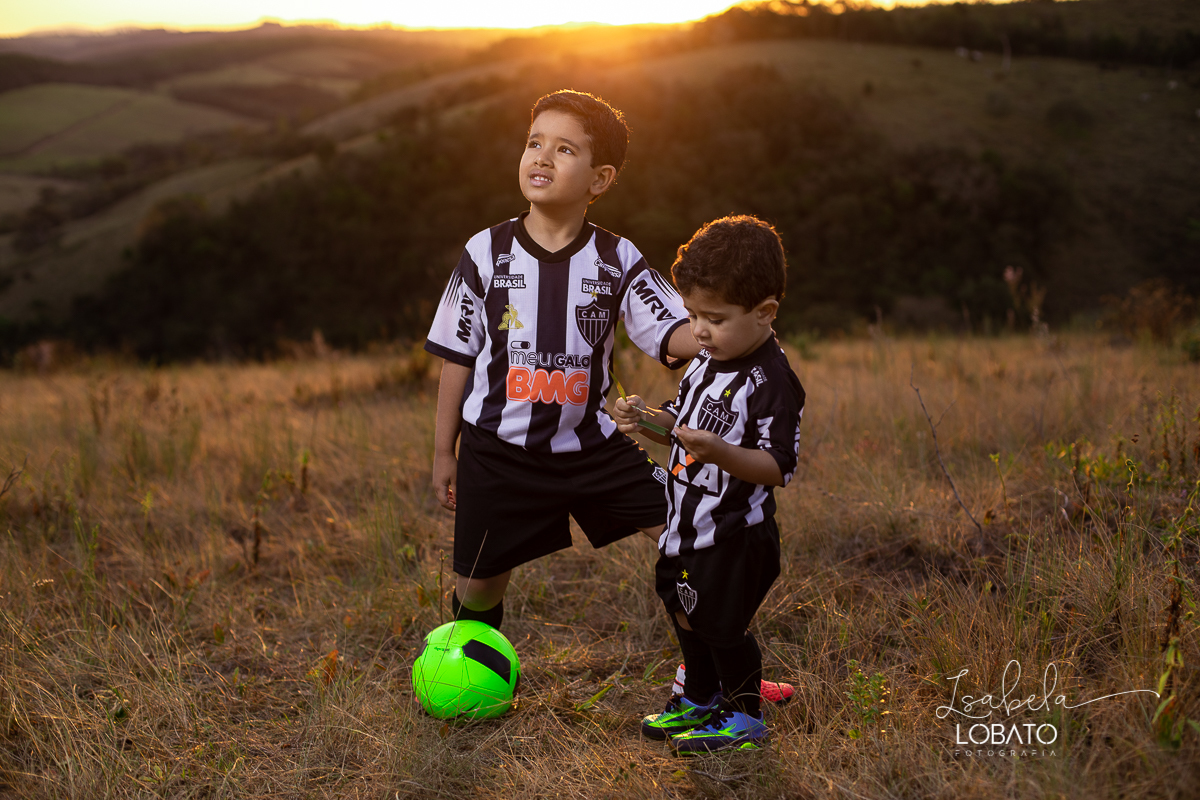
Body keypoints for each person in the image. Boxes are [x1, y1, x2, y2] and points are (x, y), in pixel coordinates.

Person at [423, 89, 698, 632]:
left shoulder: (618, 258)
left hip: (592, 446)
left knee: (687, 535)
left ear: (600, 179)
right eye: (534, 143)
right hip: (498, 451)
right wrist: (442, 451)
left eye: (565, 149)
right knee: (476, 593)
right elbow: (457, 356)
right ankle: (471, 675)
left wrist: (730, 330)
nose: (542, 157)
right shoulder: (485, 252)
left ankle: (718, 678)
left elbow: (675, 330)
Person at [613, 215, 805, 753]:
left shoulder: (770, 382)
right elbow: (678, 425)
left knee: (721, 626)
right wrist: (645, 419)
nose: (698, 329)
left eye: (714, 318)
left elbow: (779, 466)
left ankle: (744, 717)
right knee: (683, 609)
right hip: (685, 525)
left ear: (765, 313)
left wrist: (721, 452)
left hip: (734, 534)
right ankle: (699, 698)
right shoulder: (705, 361)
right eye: (693, 314)